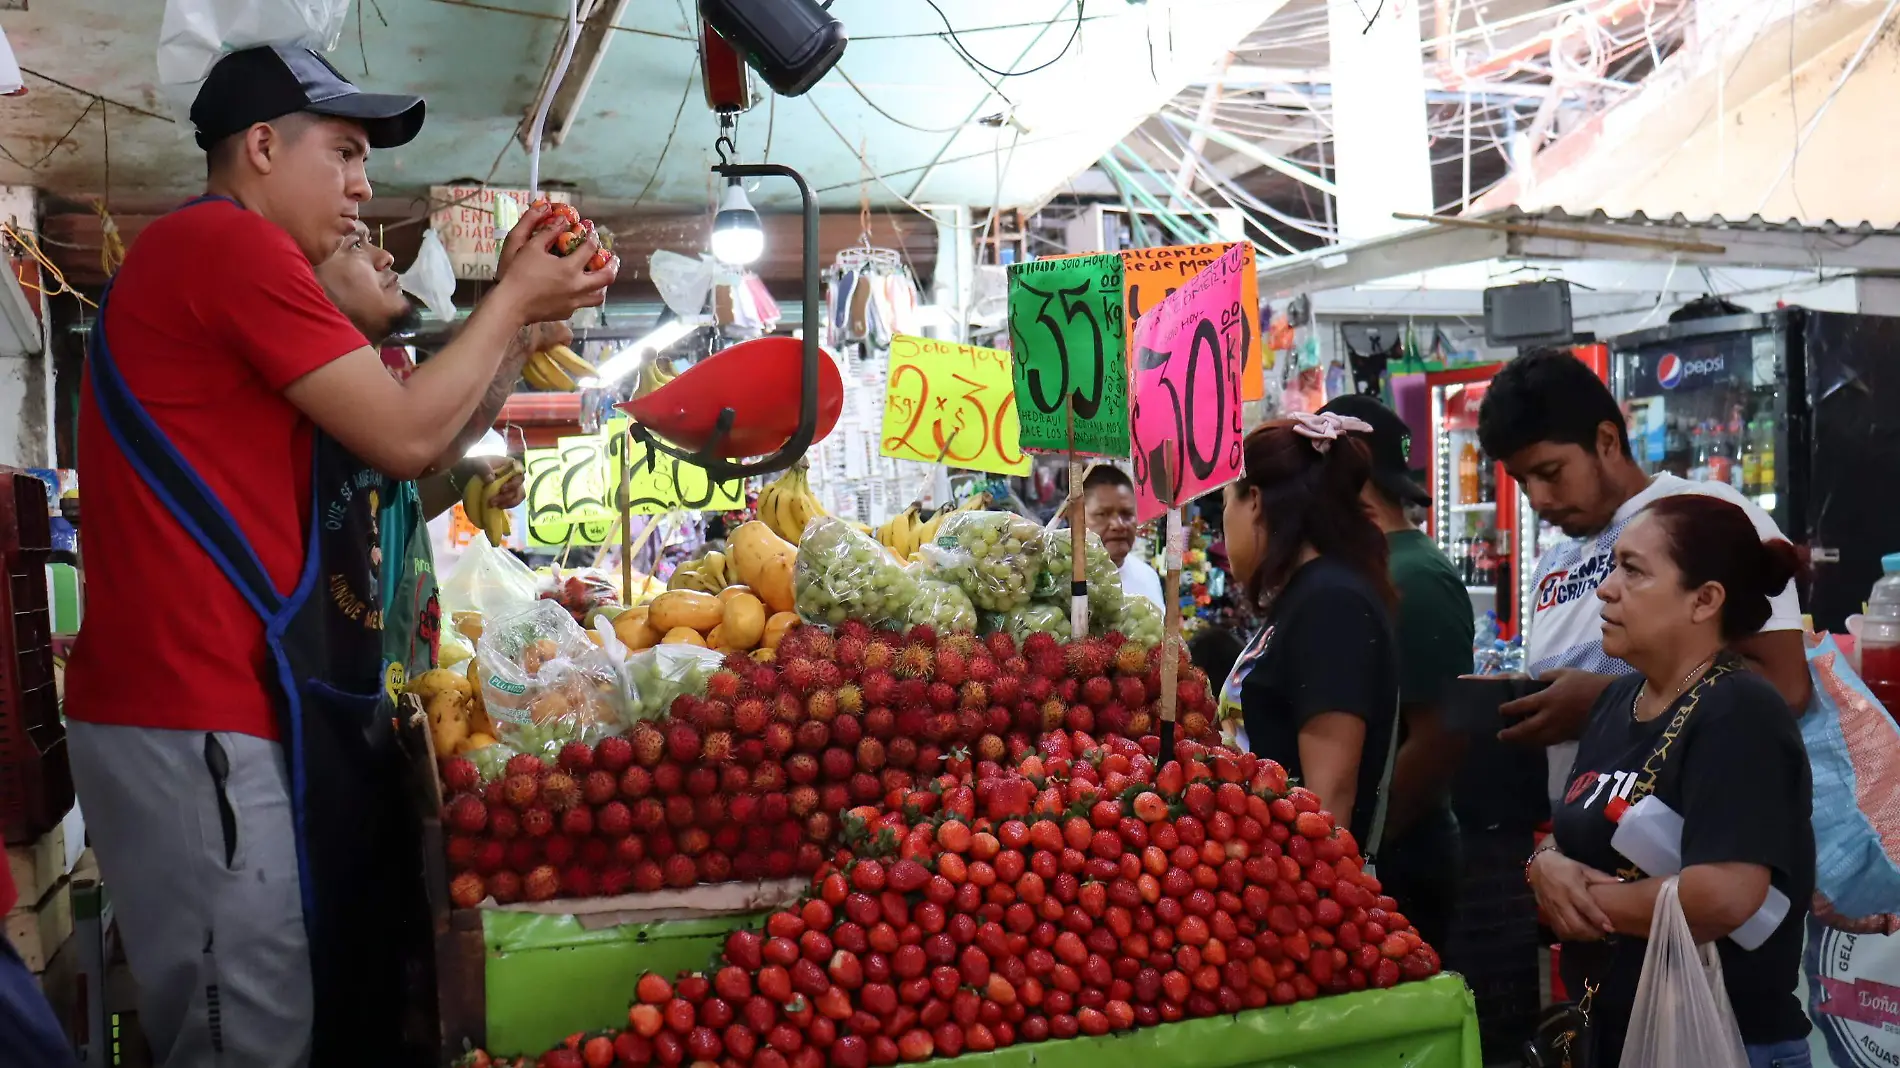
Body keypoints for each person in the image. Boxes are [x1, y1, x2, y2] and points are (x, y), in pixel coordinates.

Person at [64, 45, 614, 1067]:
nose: (365, 190)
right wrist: (508, 305)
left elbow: (413, 449)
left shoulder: (216, 261)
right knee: (252, 1038)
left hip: (217, 710)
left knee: (282, 1018)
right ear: (262, 147)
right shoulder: (225, 247)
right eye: (348, 153)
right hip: (195, 708)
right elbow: (407, 439)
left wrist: (521, 316)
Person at [1528, 494, 1813, 1068]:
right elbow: (1573, 828)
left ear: (1704, 600)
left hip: (1720, 1040)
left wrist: (1580, 901)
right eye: (1612, 568)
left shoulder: (1738, 711)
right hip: (1617, 1030)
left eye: (1632, 571)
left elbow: (1724, 896)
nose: (1605, 589)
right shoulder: (1617, 700)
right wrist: (1545, 867)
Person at [1475, 351, 1810, 808]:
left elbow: (1787, 688)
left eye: (1550, 473)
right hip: (1579, 831)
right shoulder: (1554, 560)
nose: (1537, 497)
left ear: (1607, 440)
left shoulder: (1701, 514)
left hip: (1688, 833)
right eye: (1520, 480)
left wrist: (1607, 702)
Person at [1318, 394, 1471, 950]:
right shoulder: (1374, 569)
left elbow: (1441, 732)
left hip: (1403, 860)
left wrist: (1362, 847)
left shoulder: (1415, 577)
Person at [1215, 412, 1400, 843]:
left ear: (1255, 501)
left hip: (1295, 886)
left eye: (1226, 503)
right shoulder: (1311, 594)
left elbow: (1329, 797)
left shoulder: (1332, 604)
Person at [1081, 464, 1165, 609]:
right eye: (1102, 514)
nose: (1118, 525)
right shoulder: (1057, 584)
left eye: (1127, 514)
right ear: (1075, 517)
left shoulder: (1148, 577)